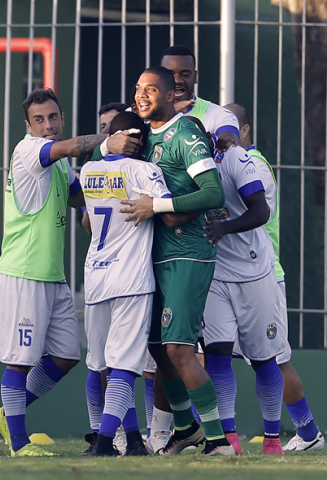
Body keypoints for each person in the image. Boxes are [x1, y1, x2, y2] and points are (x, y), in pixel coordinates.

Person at [0, 88, 142, 457]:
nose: (47, 125)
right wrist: (108, 141)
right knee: (19, 360)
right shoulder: (28, 150)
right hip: (23, 272)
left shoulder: (58, 165)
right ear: (28, 125)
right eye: (39, 119)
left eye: (53, 117)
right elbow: (71, 147)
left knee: (67, 355)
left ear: (62, 118)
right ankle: (19, 443)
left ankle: (8, 412)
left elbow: (79, 197)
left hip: (53, 276)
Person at [114, 66, 234, 456]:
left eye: (150, 89)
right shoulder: (142, 136)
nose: (141, 95)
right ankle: (185, 429)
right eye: (138, 88)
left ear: (170, 95)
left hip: (188, 254)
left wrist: (158, 205)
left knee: (180, 350)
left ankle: (218, 440)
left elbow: (213, 193)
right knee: (157, 347)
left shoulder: (185, 133)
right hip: (151, 257)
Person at [180, 116, 288, 456]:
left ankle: (272, 439)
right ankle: (229, 438)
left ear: (208, 139)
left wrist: (225, 228)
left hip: (255, 271)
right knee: (217, 355)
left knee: (263, 359)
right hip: (214, 273)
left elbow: (261, 211)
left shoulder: (235, 159)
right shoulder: (180, 167)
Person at [223, 103, 325, 451]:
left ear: (245, 130)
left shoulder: (254, 165)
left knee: (274, 360)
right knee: (208, 355)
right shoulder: (224, 163)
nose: (222, 134)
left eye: (230, 127)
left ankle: (308, 432)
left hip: (262, 276)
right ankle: (205, 433)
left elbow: (255, 213)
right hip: (228, 275)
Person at [80, 111, 182, 456]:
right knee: (124, 366)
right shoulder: (145, 171)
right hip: (131, 279)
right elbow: (169, 213)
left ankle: (133, 439)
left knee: (102, 363)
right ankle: (105, 443)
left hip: (96, 274)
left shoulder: (89, 171)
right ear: (138, 140)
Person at [160, 45, 241, 153]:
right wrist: (166, 113)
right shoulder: (144, 113)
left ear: (195, 77)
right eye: (170, 74)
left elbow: (231, 139)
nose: (177, 80)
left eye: (185, 75)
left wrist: (226, 140)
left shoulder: (219, 114)